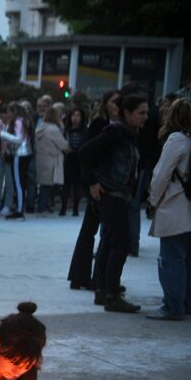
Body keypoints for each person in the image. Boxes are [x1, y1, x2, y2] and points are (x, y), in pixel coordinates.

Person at [145, 99, 191, 320]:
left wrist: (153, 200)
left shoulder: (176, 140)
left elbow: (161, 175)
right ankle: (190, 304)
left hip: (177, 209)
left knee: (172, 259)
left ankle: (172, 306)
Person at [79, 93, 148, 313]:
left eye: (146, 113)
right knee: (121, 242)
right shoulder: (116, 132)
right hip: (111, 195)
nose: (144, 118)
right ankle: (111, 294)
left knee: (110, 241)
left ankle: (104, 290)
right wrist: (92, 183)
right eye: (141, 113)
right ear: (127, 113)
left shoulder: (128, 134)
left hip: (117, 194)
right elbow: (85, 153)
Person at [67, 91, 121, 290]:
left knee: (95, 230)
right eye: (114, 102)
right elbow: (86, 152)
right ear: (106, 104)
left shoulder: (112, 125)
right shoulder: (101, 124)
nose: (118, 105)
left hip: (101, 182)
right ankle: (88, 277)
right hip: (97, 183)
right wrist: (92, 182)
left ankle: (84, 276)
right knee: (93, 230)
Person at [0, 103, 34, 221]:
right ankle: (20, 208)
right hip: (25, 153)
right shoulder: (24, 120)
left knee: (18, 183)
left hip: (20, 154)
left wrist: (1, 133)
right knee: (20, 182)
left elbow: (18, 139)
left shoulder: (18, 121)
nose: (8, 114)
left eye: (9, 112)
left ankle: (19, 210)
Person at [35, 105, 70, 216]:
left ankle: (42, 206)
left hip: (42, 159)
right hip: (52, 160)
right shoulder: (53, 129)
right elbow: (63, 144)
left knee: (43, 185)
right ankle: (43, 208)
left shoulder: (41, 127)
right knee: (48, 186)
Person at [60, 107, 88, 216]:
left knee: (77, 185)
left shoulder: (85, 131)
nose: (75, 118)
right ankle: (63, 208)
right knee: (66, 185)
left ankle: (75, 208)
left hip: (79, 159)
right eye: (73, 115)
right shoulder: (66, 131)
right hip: (68, 159)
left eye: (78, 115)